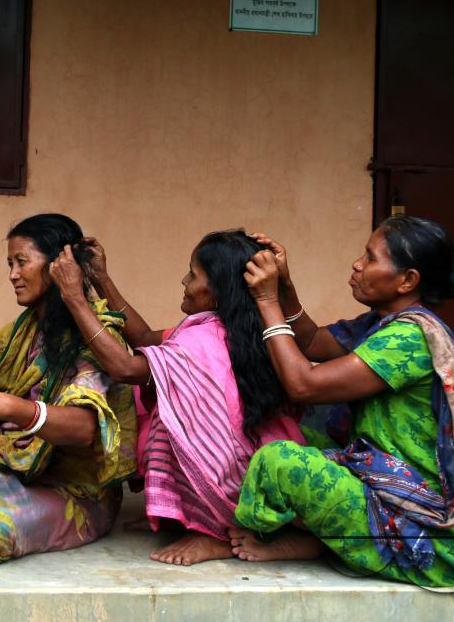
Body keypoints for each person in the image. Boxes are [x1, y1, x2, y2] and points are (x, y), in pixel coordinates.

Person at [230, 216, 454, 588]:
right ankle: (322, 539)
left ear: (408, 280)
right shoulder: (382, 324)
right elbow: (310, 342)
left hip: (434, 537)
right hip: (385, 485)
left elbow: (303, 385)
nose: (357, 264)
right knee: (281, 431)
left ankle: (312, 541)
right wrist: (286, 286)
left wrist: (266, 300)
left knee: (280, 460)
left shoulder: (409, 338)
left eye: (370, 258)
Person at [49, 230, 304, 566]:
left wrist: (74, 298)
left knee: (156, 413)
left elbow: (125, 368)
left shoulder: (200, 341)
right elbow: (141, 336)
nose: (184, 281)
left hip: (233, 479)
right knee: (153, 412)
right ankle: (184, 517)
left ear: (215, 291)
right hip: (253, 466)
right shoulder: (234, 327)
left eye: (193, 274)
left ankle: (217, 530)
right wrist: (101, 279)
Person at [0, 213, 137, 568]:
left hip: (74, 491)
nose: (12, 274)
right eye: (10, 263)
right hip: (16, 466)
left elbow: (86, 429)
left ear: (60, 266)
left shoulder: (95, 339)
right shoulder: (23, 330)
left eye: (22, 262)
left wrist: (5, 406)